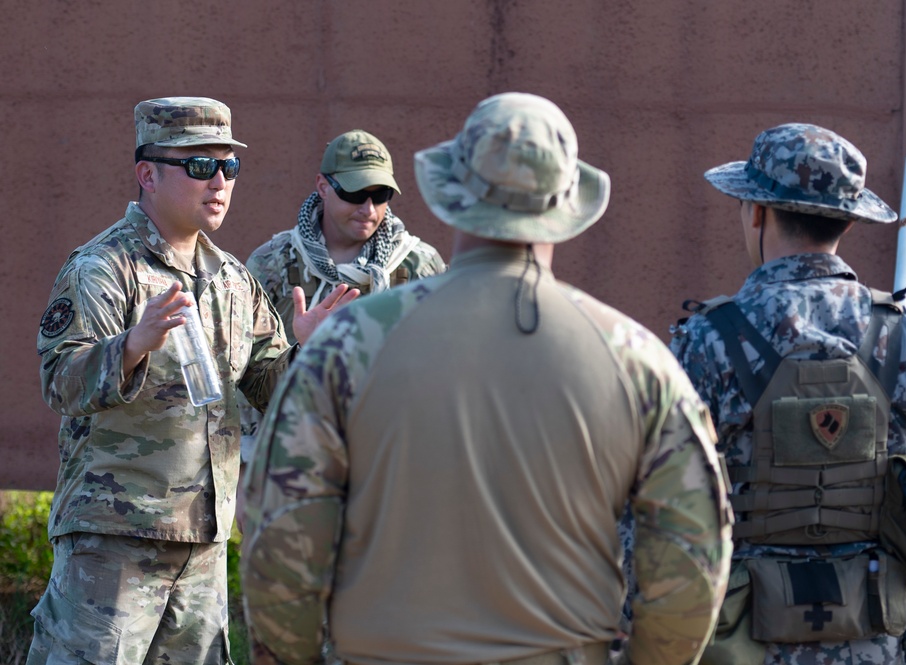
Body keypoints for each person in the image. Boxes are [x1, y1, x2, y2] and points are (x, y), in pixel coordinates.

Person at [240, 92, 733, 665]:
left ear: (451, 191)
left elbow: (280, 538)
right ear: (569, 202)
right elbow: (693, 556)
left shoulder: (347, 348)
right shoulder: (636, 361)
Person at [29, 97, 357, 665]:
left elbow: (267, 390)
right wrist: (131, 346)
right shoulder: (104, 269)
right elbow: (60, 381)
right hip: (114, 544)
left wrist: (307, 349)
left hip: (202, 544)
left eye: (229, 167)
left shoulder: (231, 279)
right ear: (147, 175)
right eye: (200, 166)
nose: (220, 183)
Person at [669, 122, 906, 665]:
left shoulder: (706, 343)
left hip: (739, 642)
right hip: (874, 639)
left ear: (757, 212)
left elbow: (651, 500)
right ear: (848, 219)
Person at [238, 129, 446, 460]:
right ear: (323, 186)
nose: (368, 208)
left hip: (391, 453)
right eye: (355, 192)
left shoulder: (418, 264)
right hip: (295, 452)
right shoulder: (274, 262)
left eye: (380, 195)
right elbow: (248, 374)